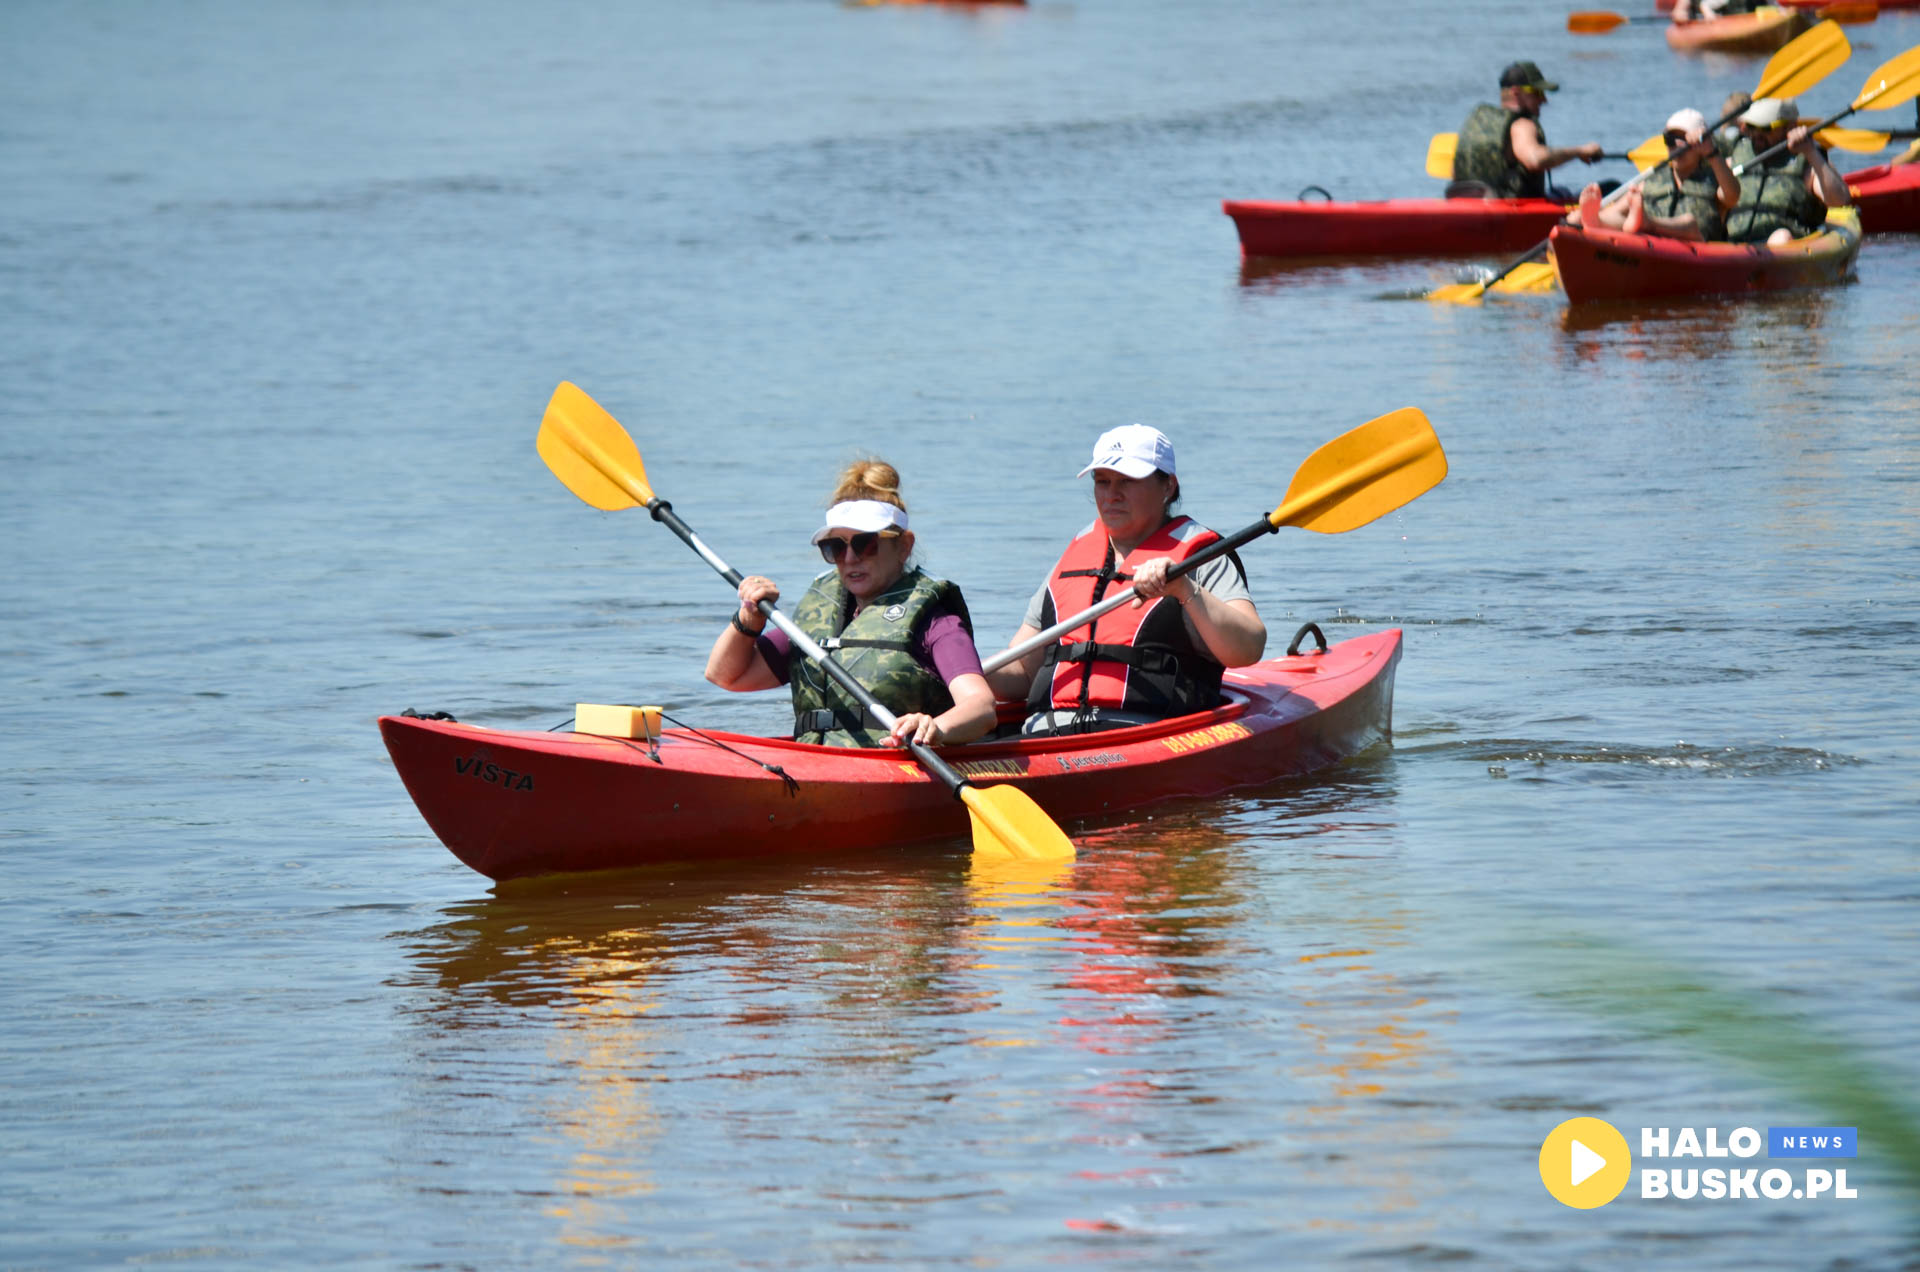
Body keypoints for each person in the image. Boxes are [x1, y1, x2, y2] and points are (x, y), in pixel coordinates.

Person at [984, 425, 1267, 735]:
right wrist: (960, 674)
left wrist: (1184, 589)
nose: (1111, 495)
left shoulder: (1202, 559)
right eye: (1102, 482)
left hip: (1147, 734)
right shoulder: (1074, 556)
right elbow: (1023, 673)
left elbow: (1248, 649)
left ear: (1168, 486)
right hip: (1046, 735)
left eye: (1127, 481)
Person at [705, 460, 996, 749]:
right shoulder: (818, 618)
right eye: (836, 547)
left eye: (865, 544)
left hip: (896, 764)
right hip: (816, 761)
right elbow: (728, 676)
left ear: (904, 546)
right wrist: (749, 619)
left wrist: (936, 727)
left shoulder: (935, 621)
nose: (850, 559)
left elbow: (981, 708)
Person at [1572, 109, 1739, 241]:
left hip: (1697, 244)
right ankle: (1595, 223)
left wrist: (1712, 153)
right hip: (1654, 242)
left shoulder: (1714, 179)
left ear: (1700, 145)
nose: (1676, 146)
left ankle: (1646, 223)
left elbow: (1732, 195)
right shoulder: (1652, 181)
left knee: (1689, 222)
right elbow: (1616, 211)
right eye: (1669, 139)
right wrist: (1590, 216)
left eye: (1683, 139)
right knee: (1615, 217)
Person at [1450, 61, 1606, 201]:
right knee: (1607, 189)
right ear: (1516, 92)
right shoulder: (1521, 124)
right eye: (1537, 92)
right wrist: (1581, 151)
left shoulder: (1479, 122)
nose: (1543, 100)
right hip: (1511, 210)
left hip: (1465, 200)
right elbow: (1535, 160)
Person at [1724, 98, 1851, 246]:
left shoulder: (1808, 162)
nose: (1757, 134)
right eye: (1752, 127)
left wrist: (1810, 151)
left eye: (1766, 128)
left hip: (1784, 250)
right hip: (1734, 247)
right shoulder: (1737, 156)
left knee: (1781, 237)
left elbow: (1840, 201)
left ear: (1790, 127)